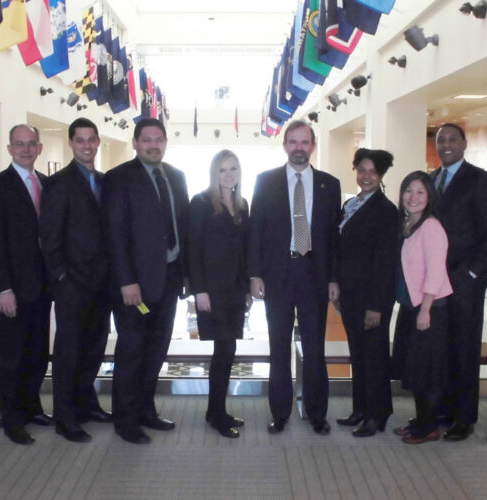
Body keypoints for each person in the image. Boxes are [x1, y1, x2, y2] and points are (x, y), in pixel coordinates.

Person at [248, 120, 341, 435]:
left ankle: (317, 414)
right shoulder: (265, 181)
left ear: (313, 145)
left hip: (315, 275)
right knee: (279, 347)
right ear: (285, 145)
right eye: (293, 142)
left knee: (315, 349)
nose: (298, 148)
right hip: (278, 275)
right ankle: (280, 413)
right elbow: (256, 230)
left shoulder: (329, 184)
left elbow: (333, 238)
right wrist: (255, 274)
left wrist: (333, 278)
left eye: (304, 142)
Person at [104, 118, 189, 444]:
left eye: (159, 139)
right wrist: (126, 281)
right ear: (136, 143)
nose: (154, 145)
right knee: (132, 350)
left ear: (165, 142)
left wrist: (187, 276)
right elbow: (115, 233)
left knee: (156, 349)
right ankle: (125, 420)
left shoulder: (177, 177)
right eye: (147, 140)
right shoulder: (119, 177)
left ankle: (145, 410)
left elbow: (182, 227)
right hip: (134, 286)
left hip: (169, 280)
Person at [0, 125, 52, 445]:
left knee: (37, 353)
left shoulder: (47, 184)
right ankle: (12, 419)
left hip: (42, 288)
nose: (26, 149)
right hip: (11, 290)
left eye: (31, 143)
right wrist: (2, 288)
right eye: (19, 144)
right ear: (9, 149)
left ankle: (32, 407)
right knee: (10, 358)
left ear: (39, 148)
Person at [39, 118, 111, 443]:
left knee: (94, 348)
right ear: (71, 143)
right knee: (68, 353)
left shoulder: (105, 182)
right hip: (72, 285)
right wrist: (61, 278)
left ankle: (85, 404)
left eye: (91, 139)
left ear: (98, 142)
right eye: (80, 140)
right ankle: (64, 417)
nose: (86, 145)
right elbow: (49, 237)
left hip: (102, 284)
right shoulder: (58, 183)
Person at [431, 123, 487, 441]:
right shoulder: (431, 179)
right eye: (440, 140)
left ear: (464, 144)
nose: (446, 144)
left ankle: (464, 417)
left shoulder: (481, 180)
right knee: (440, 347)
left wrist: (473, 273)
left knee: (464, 349)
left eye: (452, 139)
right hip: (434, 282)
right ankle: (443, 409)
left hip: (465, 281)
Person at [188, 150, 250, 439]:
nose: (228, 175)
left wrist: (247, 289)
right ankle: (216, 414)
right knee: (223, 352)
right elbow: (193, 249)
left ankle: (216, 411)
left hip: (235, 291)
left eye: (233, 169)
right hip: (211, 290)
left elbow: (245, 250)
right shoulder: (201, 203)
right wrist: (199, 290)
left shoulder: (243, 205)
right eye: (223, 170)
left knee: (228, 351)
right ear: (214, 173)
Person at [335, 148, 397, 437]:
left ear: (381, 175)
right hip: (350, 294)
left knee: (374, 355)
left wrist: (376, 305)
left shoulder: (386, 211)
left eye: (373, 171)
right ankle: (360, 409)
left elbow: (385, 263)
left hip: (373, 297)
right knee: (358, 354)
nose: (366, 176)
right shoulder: (350, 204)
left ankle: (377, 414)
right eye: (362, 170)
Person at [392, 171, 453, 444]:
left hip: (429, 308)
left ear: (429, 197)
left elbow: (436, 272)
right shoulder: (408, 224)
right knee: (414, 367)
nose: (413, 197)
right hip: (411, 305)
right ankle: (421, 419)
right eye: (408, 190)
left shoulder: (431, 227)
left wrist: (426, 308)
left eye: (420, 192)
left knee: (427, 370)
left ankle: (429, 427)